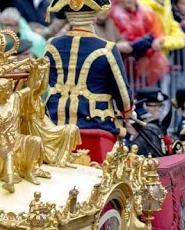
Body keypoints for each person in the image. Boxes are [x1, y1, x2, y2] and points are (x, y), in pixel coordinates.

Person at [44, 0, 133, 141]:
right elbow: (123, 96)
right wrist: (126, 113)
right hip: (95, 123)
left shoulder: (51, 45)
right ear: (95, 14)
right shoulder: (107, 48)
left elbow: (43, 84)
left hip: (55, 121)